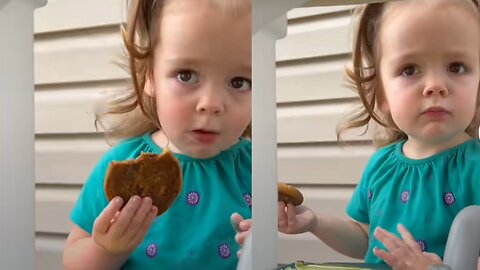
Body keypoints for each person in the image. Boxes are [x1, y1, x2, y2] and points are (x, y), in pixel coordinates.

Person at [236, 0, 480, 269]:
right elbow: (365, 239)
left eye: (456, 67)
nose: (435, 86)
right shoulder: (382, 165)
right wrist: (314, 222)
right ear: (381, 94)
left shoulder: (475, 167)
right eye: (410, 70)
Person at [63, 0, 252, 269]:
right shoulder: (120, 166)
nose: (211, 103)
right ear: (150, 76)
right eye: (186, 75)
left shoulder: (254, 166)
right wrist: (107, 250)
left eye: (239, 82)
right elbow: (73, 261)